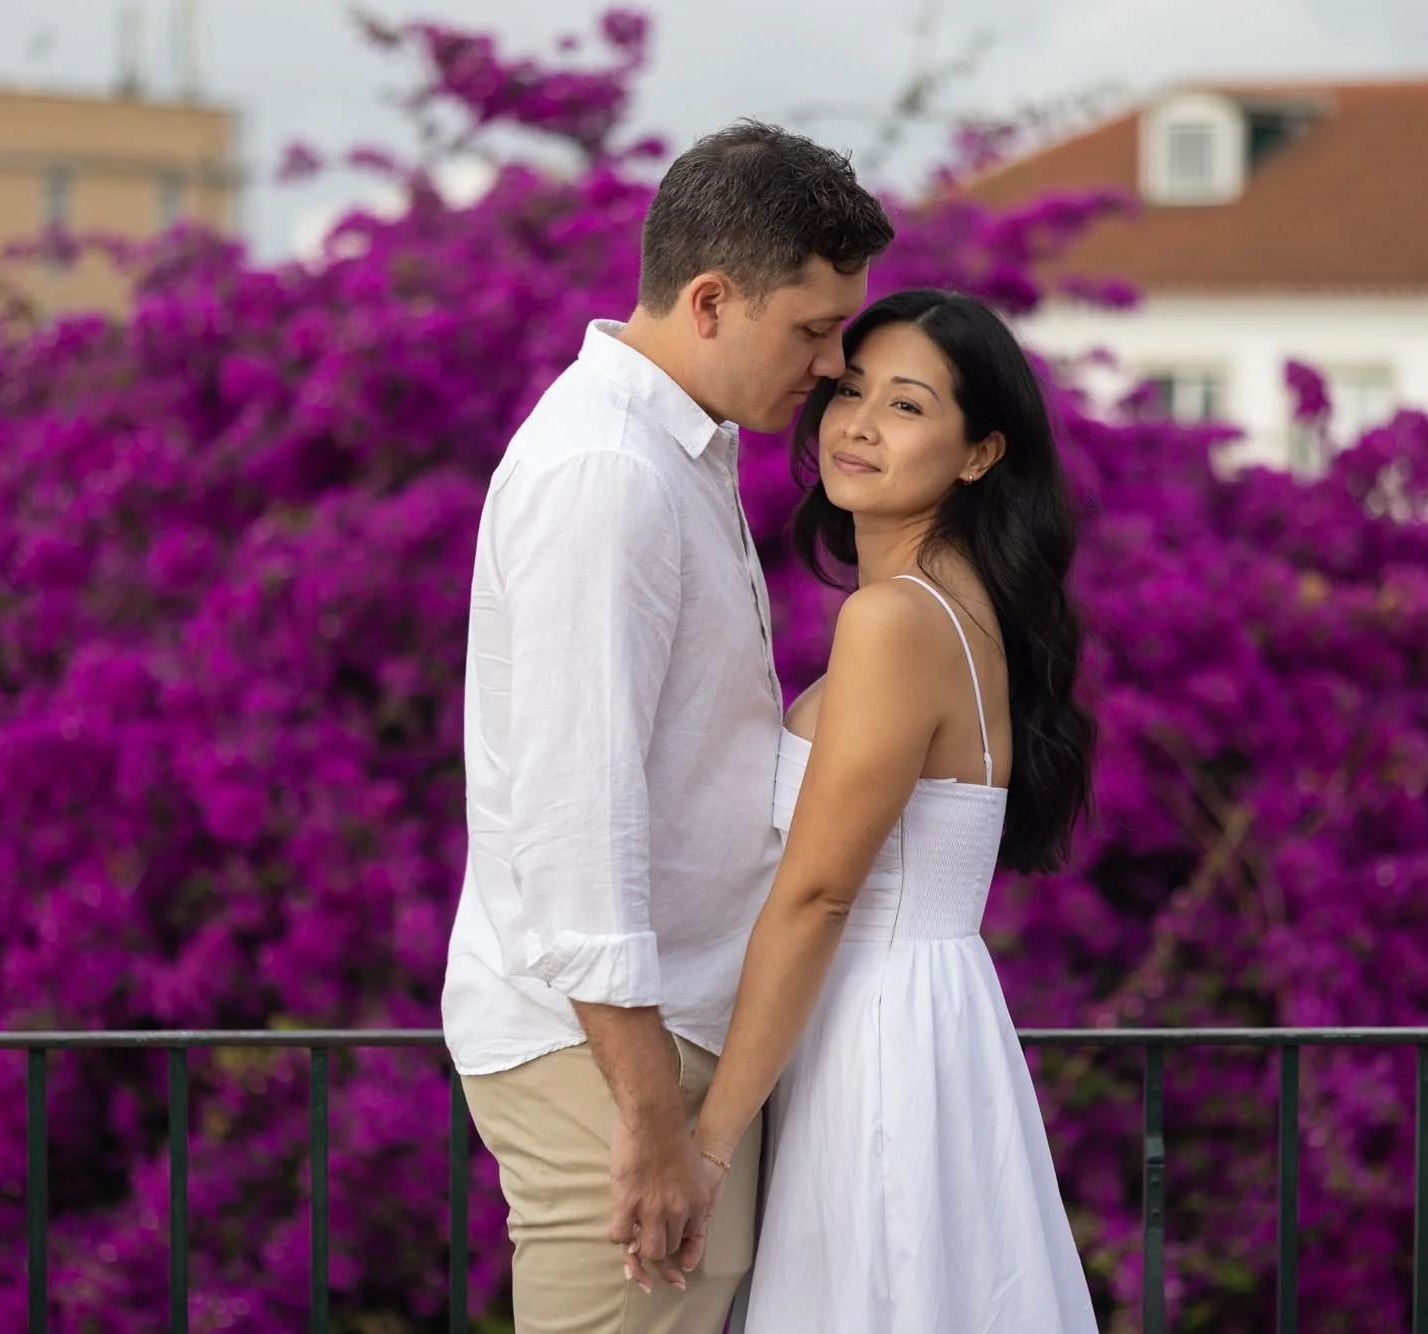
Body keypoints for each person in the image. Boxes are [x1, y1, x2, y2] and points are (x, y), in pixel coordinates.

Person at [440, 120, 894, 1334]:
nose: (831, 364)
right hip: (610, 1058)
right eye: (810, 329)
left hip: (657, 1036)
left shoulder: (673, 452)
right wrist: (646, 1118)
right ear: (707, 300)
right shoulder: (609, 474)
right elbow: (575, 820)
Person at [692, 289, 1102, 1332]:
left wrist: (705, 1140)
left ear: (977, 454)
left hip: (872, 1032)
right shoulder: (956, 606)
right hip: (920, 1019)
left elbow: (821, 890)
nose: (858, 423)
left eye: (907, 404)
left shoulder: (894, 619)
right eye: (847, 389)